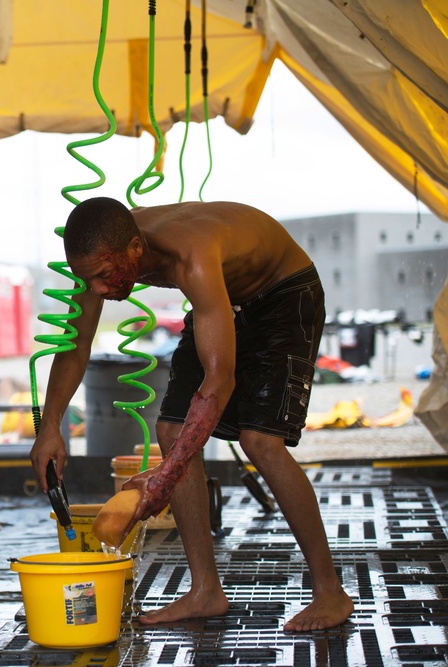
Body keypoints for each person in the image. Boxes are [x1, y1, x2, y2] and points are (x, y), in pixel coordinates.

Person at [29, 197, 355, 632]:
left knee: (261, 442)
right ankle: (205, 591)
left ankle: (330, 592)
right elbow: (76, 345)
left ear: (135, 250)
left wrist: (167, 475)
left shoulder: (192, 257)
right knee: (171, 427)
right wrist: (50, 426)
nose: (101, 291)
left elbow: (219, 383)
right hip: (229, 298)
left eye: (106, 277)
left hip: (283, 293)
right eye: (91, 281)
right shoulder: (99, 263)